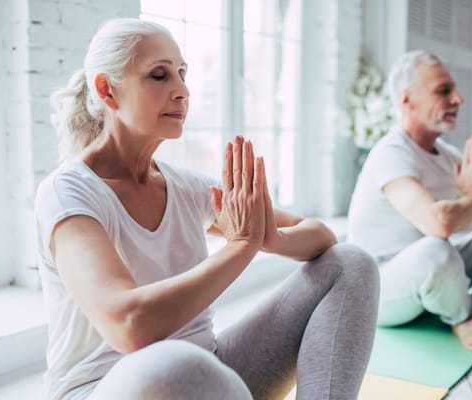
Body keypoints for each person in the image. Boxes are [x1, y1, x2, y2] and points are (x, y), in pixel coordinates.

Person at [34, 18, 379, 400]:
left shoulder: (185, 187)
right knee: (178, 367)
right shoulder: (68, 192)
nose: (182, 91)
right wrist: (241, 246)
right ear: (107, 90)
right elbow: (128, 325)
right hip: (115, 388)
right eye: (160, 75)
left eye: (182, 73)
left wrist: (267, 236)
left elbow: (320, 236)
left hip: (209, 378)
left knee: (351, 263)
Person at [346, 50, 472, 352]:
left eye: (455, 90)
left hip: (431, 269)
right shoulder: (391, 152)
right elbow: (439, 223)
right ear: (407, 100)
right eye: (443, 91)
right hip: (378, 288)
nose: (458, 99)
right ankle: (460, 316)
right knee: (437, 248)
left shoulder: (448, 155)